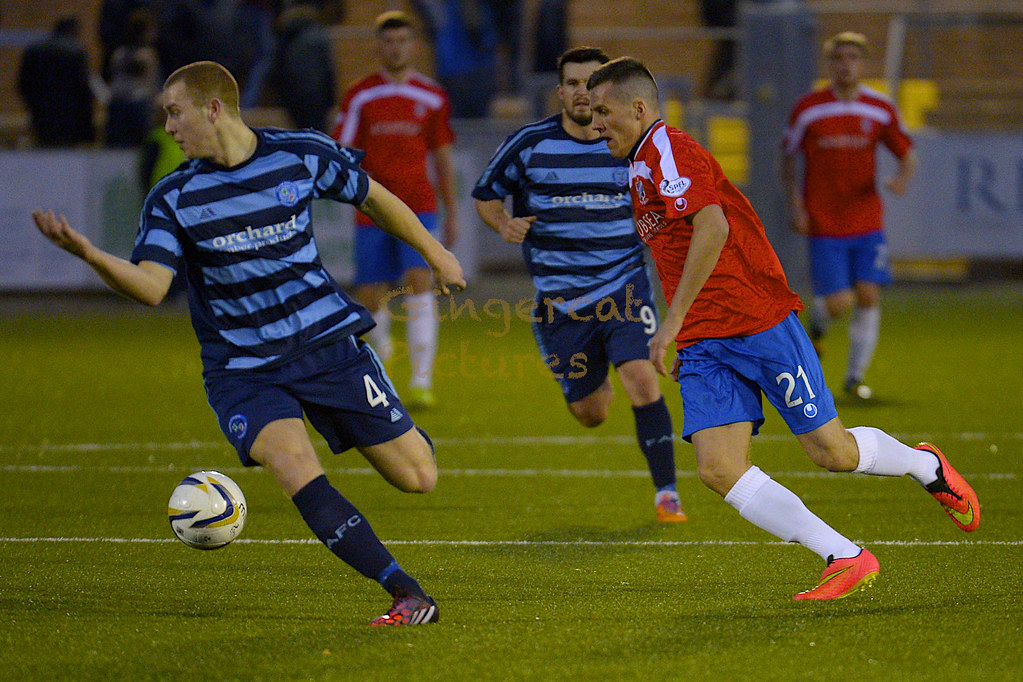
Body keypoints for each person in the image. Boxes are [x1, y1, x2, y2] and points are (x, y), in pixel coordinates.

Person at [33, 60, 465, 626]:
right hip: (245, 370)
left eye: (175, 112)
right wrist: (90, 255)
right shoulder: (174, 197)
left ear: (213, 109)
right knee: (292, 465)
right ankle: (408, 595)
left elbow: (373, 198)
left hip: (327, 344)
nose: (168, 127)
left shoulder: (301, 152)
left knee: (418, 477)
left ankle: (392, 420)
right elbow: (151, 286)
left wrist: (436, 252)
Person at [587, 56, 978, 600]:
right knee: (719, 469)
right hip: (705, 339)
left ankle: (923, 464)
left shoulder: (669, 150)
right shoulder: (635, 165)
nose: (594, 122)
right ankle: (844, 555)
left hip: (757, 320)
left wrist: (670, 321)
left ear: (638, 107)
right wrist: (685, 326)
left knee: (832, 452)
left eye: (602, 111)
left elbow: (713, 225)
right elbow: (674, 252)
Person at [473, 47, 687, 524]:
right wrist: (502, 224)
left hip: (624, 285)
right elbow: (486, 194)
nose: (581, 92)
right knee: (591, 414)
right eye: (572, 83)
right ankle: (595, 374)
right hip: (560, 300)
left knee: (641, 377)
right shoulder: (529, 144)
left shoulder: (633, 145)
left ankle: (667, 495)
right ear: (560, 91)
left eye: (590, 83)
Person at [332, 10, 458, 408]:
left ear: (415, 46)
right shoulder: (360, 95)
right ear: (378, 46)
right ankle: (382, 363)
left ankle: (422, 381)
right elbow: (344, 151)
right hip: (371, 208)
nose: (395, 47)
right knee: (370, 297)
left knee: (420, 285)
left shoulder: (432, 95)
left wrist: (450, 210)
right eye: (388, 41)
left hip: (419, 206)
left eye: (403, 40)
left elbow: (441, 154)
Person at [782, 32, 917, 400]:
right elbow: (789, 157)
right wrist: (796, 205)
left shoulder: (880, 108)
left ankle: (855, 378)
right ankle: (818, 325)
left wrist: (901, 179)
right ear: (830, 64)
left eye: (853, 58)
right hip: (825, 220)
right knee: (838, 303)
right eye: (839, 57)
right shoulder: (809, 108)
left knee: (870, 294)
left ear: (863, 63)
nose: (846, 64)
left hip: (866, 218)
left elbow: (906, 153)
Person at [17, 15, 96, 147]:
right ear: (73, 29)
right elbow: (83, 88)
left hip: (41, 116)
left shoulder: (34, 50)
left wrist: (34, 105)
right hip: (70, 119)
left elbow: (23, 84)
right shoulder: (77, 51)